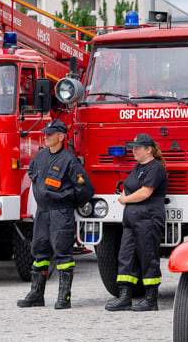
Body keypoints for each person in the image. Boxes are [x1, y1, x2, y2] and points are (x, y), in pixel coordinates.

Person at [18, 119, 93, 309]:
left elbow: (85, 190)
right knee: (39, 251)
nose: (46, 136)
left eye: (50, 134)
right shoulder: (41, 156)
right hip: (42, 212)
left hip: (61, 212)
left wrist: (64, 199)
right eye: (45, 133)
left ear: (61, 137)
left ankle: (64, 298)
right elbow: (32, 172)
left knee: (62, 253)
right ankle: (36, 295)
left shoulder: (69, 160)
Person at [105, 133, 167, 312]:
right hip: (131, 220)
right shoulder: (138, 167)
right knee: (125, 257)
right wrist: (125, 194)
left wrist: (125, 199)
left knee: (148, 257)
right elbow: (129, 185)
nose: (134, 150)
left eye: (138, 148)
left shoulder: (156, 168)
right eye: (133, 147)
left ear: (149, 150)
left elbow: (145, 192)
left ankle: (151, 299)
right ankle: (125, 297)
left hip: (148, 220)